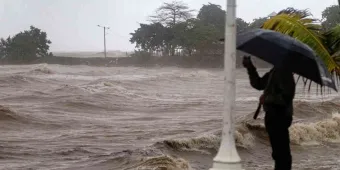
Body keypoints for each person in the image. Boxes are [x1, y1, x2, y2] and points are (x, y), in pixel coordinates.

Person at [242, 56, 296, 170]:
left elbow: (285, 97)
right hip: (273, 116)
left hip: (279, 116)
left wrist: (266, 98)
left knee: (282, 154)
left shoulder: (285, 72)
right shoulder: (275, 71)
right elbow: (259, 84)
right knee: (278, 153)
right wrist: (250, 67)